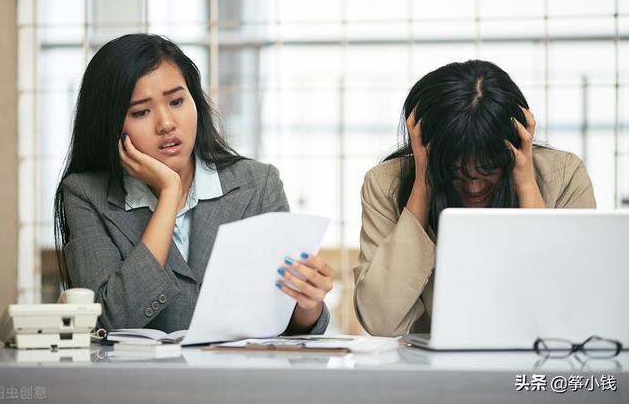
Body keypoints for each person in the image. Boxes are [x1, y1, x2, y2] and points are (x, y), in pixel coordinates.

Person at [53, 33, 333, 334]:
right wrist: (169, 195)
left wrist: (308, 304)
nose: (166, 123)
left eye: (176, 101)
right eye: (141, 112)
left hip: (237, 377)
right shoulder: (85, 194)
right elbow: (109, 321)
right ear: (109, 124)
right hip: (141, 380)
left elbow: (285, 323)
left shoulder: (258, 184)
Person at [353, 60, 596, 336]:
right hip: (431, 371)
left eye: (490, 168)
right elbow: (379, 321)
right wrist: (422, 187)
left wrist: (526, 185)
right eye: (456, 171)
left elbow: (573, 308)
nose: (475, 186)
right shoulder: (386, 183)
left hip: (538, 361)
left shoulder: (563, 175)